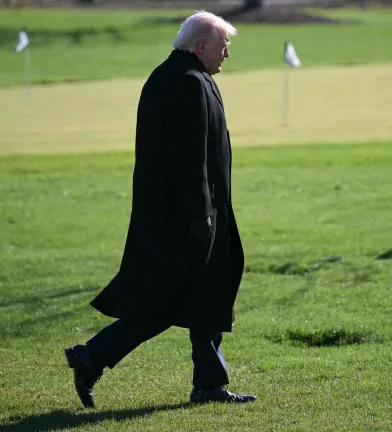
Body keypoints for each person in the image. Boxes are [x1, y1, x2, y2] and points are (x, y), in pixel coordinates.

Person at [64, 10, 256, 408]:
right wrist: (202, 217)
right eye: (223, 45)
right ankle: (93, 356)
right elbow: (189, 161)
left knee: (203, 297)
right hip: (191, 217)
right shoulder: (187, 83)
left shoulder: (176, 76)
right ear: (201, 45)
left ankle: (207, 384)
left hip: (188, 213)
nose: (227, 53)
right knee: (169, 301)